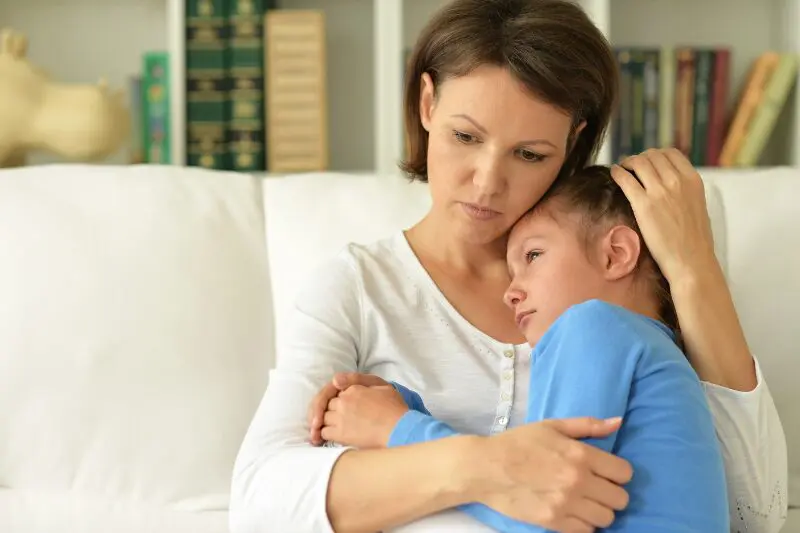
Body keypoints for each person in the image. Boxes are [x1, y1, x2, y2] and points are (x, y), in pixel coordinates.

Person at [229, 1, 788, 532]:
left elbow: (756, 512)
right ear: (427, 105)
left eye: (529, 154)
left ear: (572, 142)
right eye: (465, 136)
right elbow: (260, 503)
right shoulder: (358, 288)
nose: (487, 182)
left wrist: (692, 270)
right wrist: (483, 467)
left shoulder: (617, 292)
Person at [325, 164, 729, 532]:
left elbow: (542, 510)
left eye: (533, 255)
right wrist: (408, 408)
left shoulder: (596, 325)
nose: (510, 293)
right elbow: (520, 478)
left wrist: (396, 428)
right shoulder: (657, 355)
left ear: (615, 254)